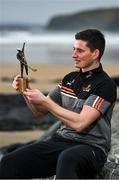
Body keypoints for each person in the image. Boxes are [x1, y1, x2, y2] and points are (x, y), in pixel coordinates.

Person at [0, 29, 117, 179]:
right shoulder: (69, 79)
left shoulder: (104, 84)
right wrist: (25, 90)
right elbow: (39, 111)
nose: (73, 55)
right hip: (61, 141)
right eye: (74, 49)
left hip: (92, 147)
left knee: (67, 157)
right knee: (9, 162)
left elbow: (80, 123)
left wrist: (45, 101)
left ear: (95, 54)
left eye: (80, 51)